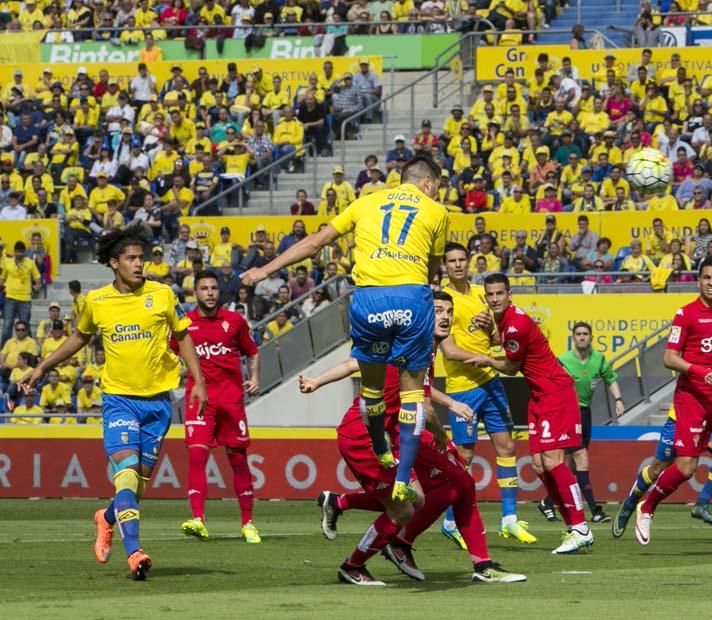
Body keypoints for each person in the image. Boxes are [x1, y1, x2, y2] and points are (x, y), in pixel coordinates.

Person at [241, 155, 448, 503]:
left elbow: (316, 242)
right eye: (437, 188)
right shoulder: (436, 211)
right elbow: (432, 266)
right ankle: (401, 479)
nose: (436, 193)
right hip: (412, 296)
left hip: (368, 299)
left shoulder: (364, 202)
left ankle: (381, 447)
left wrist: (265, 270)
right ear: (428, 183)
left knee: (371, 387)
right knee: (413, 392)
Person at [17, 228, 207, 580]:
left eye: (142, 258)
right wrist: (43, 366)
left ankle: (106, 517)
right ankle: (135, 553)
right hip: (119, 400)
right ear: (113, 263)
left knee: (137, 487)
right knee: (126, 477)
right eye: (132, 259)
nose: (139, 264)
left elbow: (182, 335)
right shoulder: (97, 301)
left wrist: (198, 381)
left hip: (159, 404)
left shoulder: (163, 294)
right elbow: (79, 338)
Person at [303, 292, 525, 585]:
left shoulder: (425, 351)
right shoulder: (407, 344)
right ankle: (356, 563)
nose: (445, 317)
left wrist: (450, 407)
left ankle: (345, 507)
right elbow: (359, 368)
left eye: (449, 311)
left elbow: (420, 389)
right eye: (438, 311)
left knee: (429, 494)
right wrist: (443, 435)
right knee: (412, 503)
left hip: (397, 434)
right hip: (367, 436)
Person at [628, 257, 712, 552]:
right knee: (686, 468)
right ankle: (647, 506)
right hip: (692, 400)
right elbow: (669, 357)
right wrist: (699, 371)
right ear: (699, 281)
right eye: (707, 278)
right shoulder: (685, 314)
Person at [465, 273, 595, 555]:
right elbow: (505, 343)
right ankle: (572, 525)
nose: (495, 299)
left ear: (510, 294)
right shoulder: (505, 321)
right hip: (538, 396)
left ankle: (581, 527)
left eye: (500, 293)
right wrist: (491, 332)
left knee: (554, 460)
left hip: (555, 393)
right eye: (490, 295)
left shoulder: (516, 325)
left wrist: (487, 359)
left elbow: (511, 368)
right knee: (538, 464)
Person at [436, 243, 535, 546]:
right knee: (465, 455)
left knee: (506, 448)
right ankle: (451, 521)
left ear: (469, 262)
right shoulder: (442, 299)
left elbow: (494, 339)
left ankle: (509, 519)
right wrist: (482, 358)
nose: (458, 265)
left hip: (490, 382)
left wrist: (489, 328)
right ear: (445, 265)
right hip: (463, 388)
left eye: (462, 259)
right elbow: (449, 350)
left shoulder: (481, 293)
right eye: (452, 261)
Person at [613, 342, 712, 534]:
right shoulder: (700, 345)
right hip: (684, 416)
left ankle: (702, 503)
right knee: (659, 467)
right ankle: (630, 503)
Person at [175, 271, 261, 544]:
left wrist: (255, 377)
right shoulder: (184, 324)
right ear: (195, 293)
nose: (210, 292)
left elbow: (252, 351)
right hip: (199, 401)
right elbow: (169, 351)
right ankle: (198, 518)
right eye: (204, 288)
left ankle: (248, 523)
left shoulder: (235, 321)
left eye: (213, 288)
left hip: (232, 400)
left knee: (238, 460)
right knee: (198, 456)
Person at [543, 322, 624, 524]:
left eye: (585, 334)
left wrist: (619, 400)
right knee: (582, 457)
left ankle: (547, 502)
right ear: (573, 338)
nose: (581, 337)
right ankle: (594, 509)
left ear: (591, 337)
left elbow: (610, 378)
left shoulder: (598, 359)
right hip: (568, 413)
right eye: (578, 334)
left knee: (570, 464)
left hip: (585, 413)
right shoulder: (563, 360)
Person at [1, 241, 41, 345]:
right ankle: (4, 350)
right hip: (10, 298)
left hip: (25, 300)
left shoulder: (30, 263)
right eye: (18, 252)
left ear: (24, 252)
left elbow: (37, 278)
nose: (19, 254)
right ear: (14, 252)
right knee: (7, 325)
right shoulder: (8, 262)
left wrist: (37, 286)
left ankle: (28, 350)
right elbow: (3, 278)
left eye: (21, 252)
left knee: (25, 325)